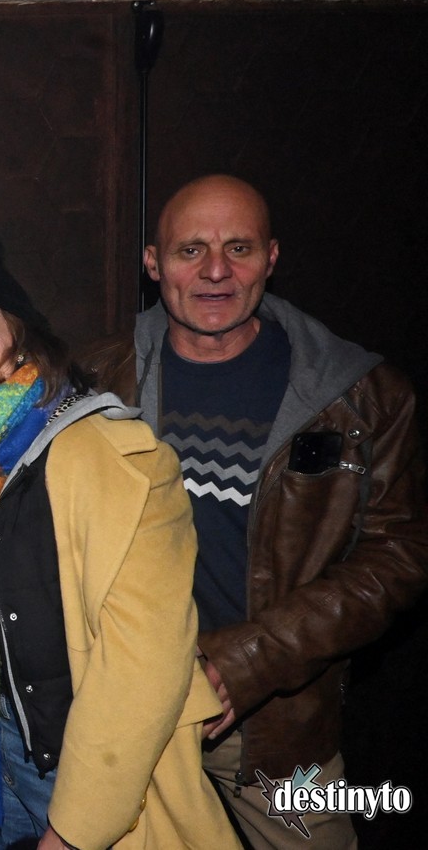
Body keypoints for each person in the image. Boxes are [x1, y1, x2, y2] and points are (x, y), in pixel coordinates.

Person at [81, 174, 428, 848]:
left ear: (271, 257)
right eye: (190, 250)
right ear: (153, 263)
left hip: (273, 726)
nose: (215, 270)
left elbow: (400, 554)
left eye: (237, 248)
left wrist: (252, 661)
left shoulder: (363, 396)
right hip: (120, 711)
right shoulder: (96, 379)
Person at [0, 222, 240, 850]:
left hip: (86, 773)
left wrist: (73, 829)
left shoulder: (120, 457)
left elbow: (141, 665)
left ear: (22, 340)